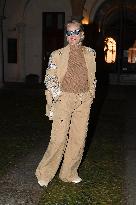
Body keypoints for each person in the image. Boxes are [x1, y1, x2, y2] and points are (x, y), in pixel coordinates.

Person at [35, 20, 96, 187]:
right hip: (64, 99)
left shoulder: (91, 53)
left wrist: (91, 94)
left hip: (84, 100)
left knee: (78, 139)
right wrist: (58, 96)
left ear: (82, 34)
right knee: (58, 138)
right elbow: (50, 78)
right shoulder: (57, 55)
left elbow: (92, 76)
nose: (72, 36)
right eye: (69, 33)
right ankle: (44, 174)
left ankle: (69, 173)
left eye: (75, 32)